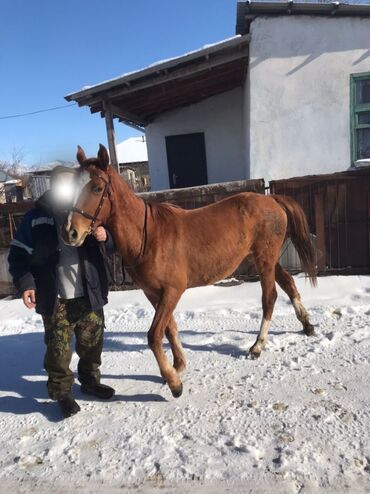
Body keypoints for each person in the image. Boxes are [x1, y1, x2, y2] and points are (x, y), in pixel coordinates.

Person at [8, 166, 115, 418]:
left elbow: (113, 246)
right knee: (58, 351)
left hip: (88, 293)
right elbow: (17, 255)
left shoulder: (88, 210)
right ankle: (61, 393)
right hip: (55, 298)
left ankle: (90, 381)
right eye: (62, 185)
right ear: (53, 187)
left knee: (92, 344)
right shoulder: (36, 217)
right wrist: (26, 284)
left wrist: (105, 236)